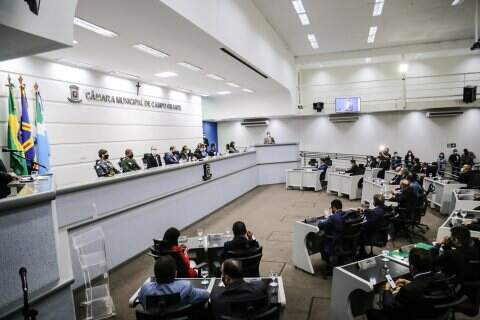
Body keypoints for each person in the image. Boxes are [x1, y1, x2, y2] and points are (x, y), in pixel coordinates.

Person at [366, 248, 444, 320]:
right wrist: (411, 283)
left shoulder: (408, 290)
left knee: (370, 312)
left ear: (412, 267)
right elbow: (424, 286)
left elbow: (389, 308)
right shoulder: (441, 277)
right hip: (435, 313)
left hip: (410, 316)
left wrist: (387, 290)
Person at [137, 255, 209, 309]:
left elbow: (140, 299)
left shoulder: (145, 289)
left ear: (155, 274)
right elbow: (206, 295)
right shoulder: (185, 287)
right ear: (175, 273)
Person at [317, 199, 357, 264]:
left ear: (334, 207)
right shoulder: (347, 215)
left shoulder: (333, 218)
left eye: (332, 208)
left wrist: (327, 218)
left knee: (321, 237)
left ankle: (328, 262)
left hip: (336, 243)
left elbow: (320, 225)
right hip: (348, 243)